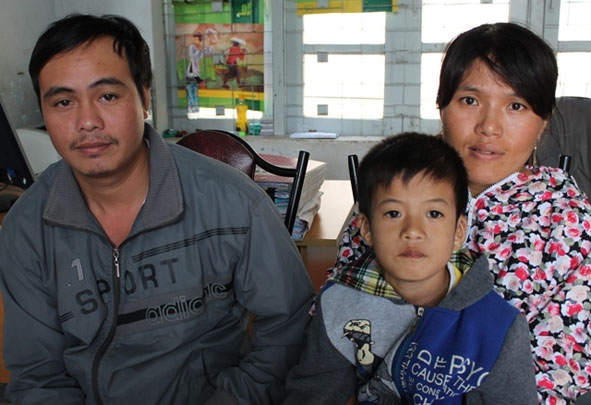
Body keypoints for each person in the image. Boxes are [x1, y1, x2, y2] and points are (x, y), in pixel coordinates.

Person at [0, 14, 315, 404]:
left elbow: (288, 327)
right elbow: (38, 376)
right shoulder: (27, 229)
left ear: (144, 98)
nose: (87, 121)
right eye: (63, 102)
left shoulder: (235, 204)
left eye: (107, 96)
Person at [331, 23, 591, 404]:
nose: (489, 127)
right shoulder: (395, 185)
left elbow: (559, 370)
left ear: (544, 121)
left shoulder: (566, 217)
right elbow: (338, 312)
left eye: (516, 106)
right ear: (442, 104)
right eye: (470, 100)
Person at [285, 133, 537, 404]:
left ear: (458, 232)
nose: (413, 231)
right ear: (366, 229)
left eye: (434, 214)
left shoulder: (499, 328)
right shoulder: (339, 304)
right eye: (393, 213)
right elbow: (314, 394)